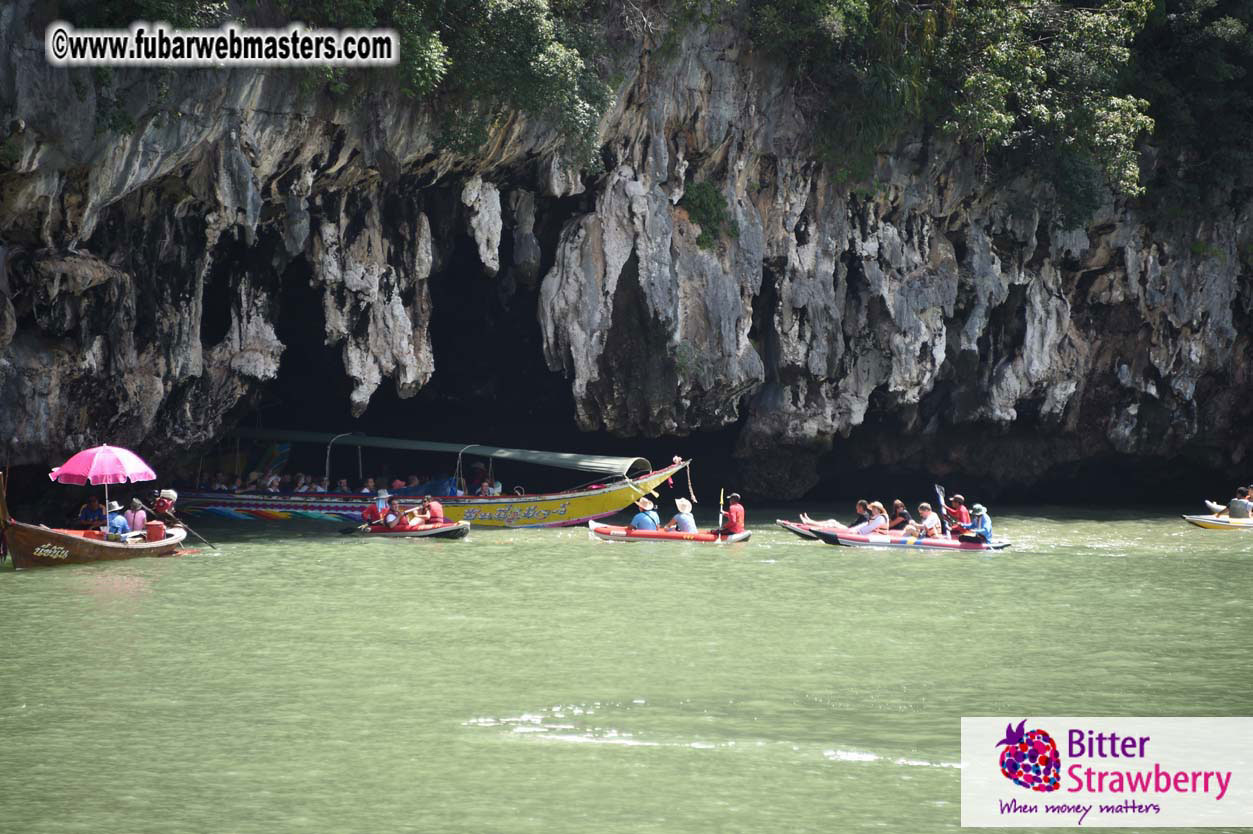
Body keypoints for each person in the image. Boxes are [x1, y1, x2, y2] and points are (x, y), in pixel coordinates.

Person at [801, 499, 868, 529]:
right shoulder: (865, 515)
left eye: (857, 506)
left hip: (849, 530)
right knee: (832, 520)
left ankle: (808, 522)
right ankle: (810, 521)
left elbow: (859, 528)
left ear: (861, 507)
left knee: (831, 524)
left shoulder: (864, 517)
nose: (856, 507)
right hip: (848, 528)